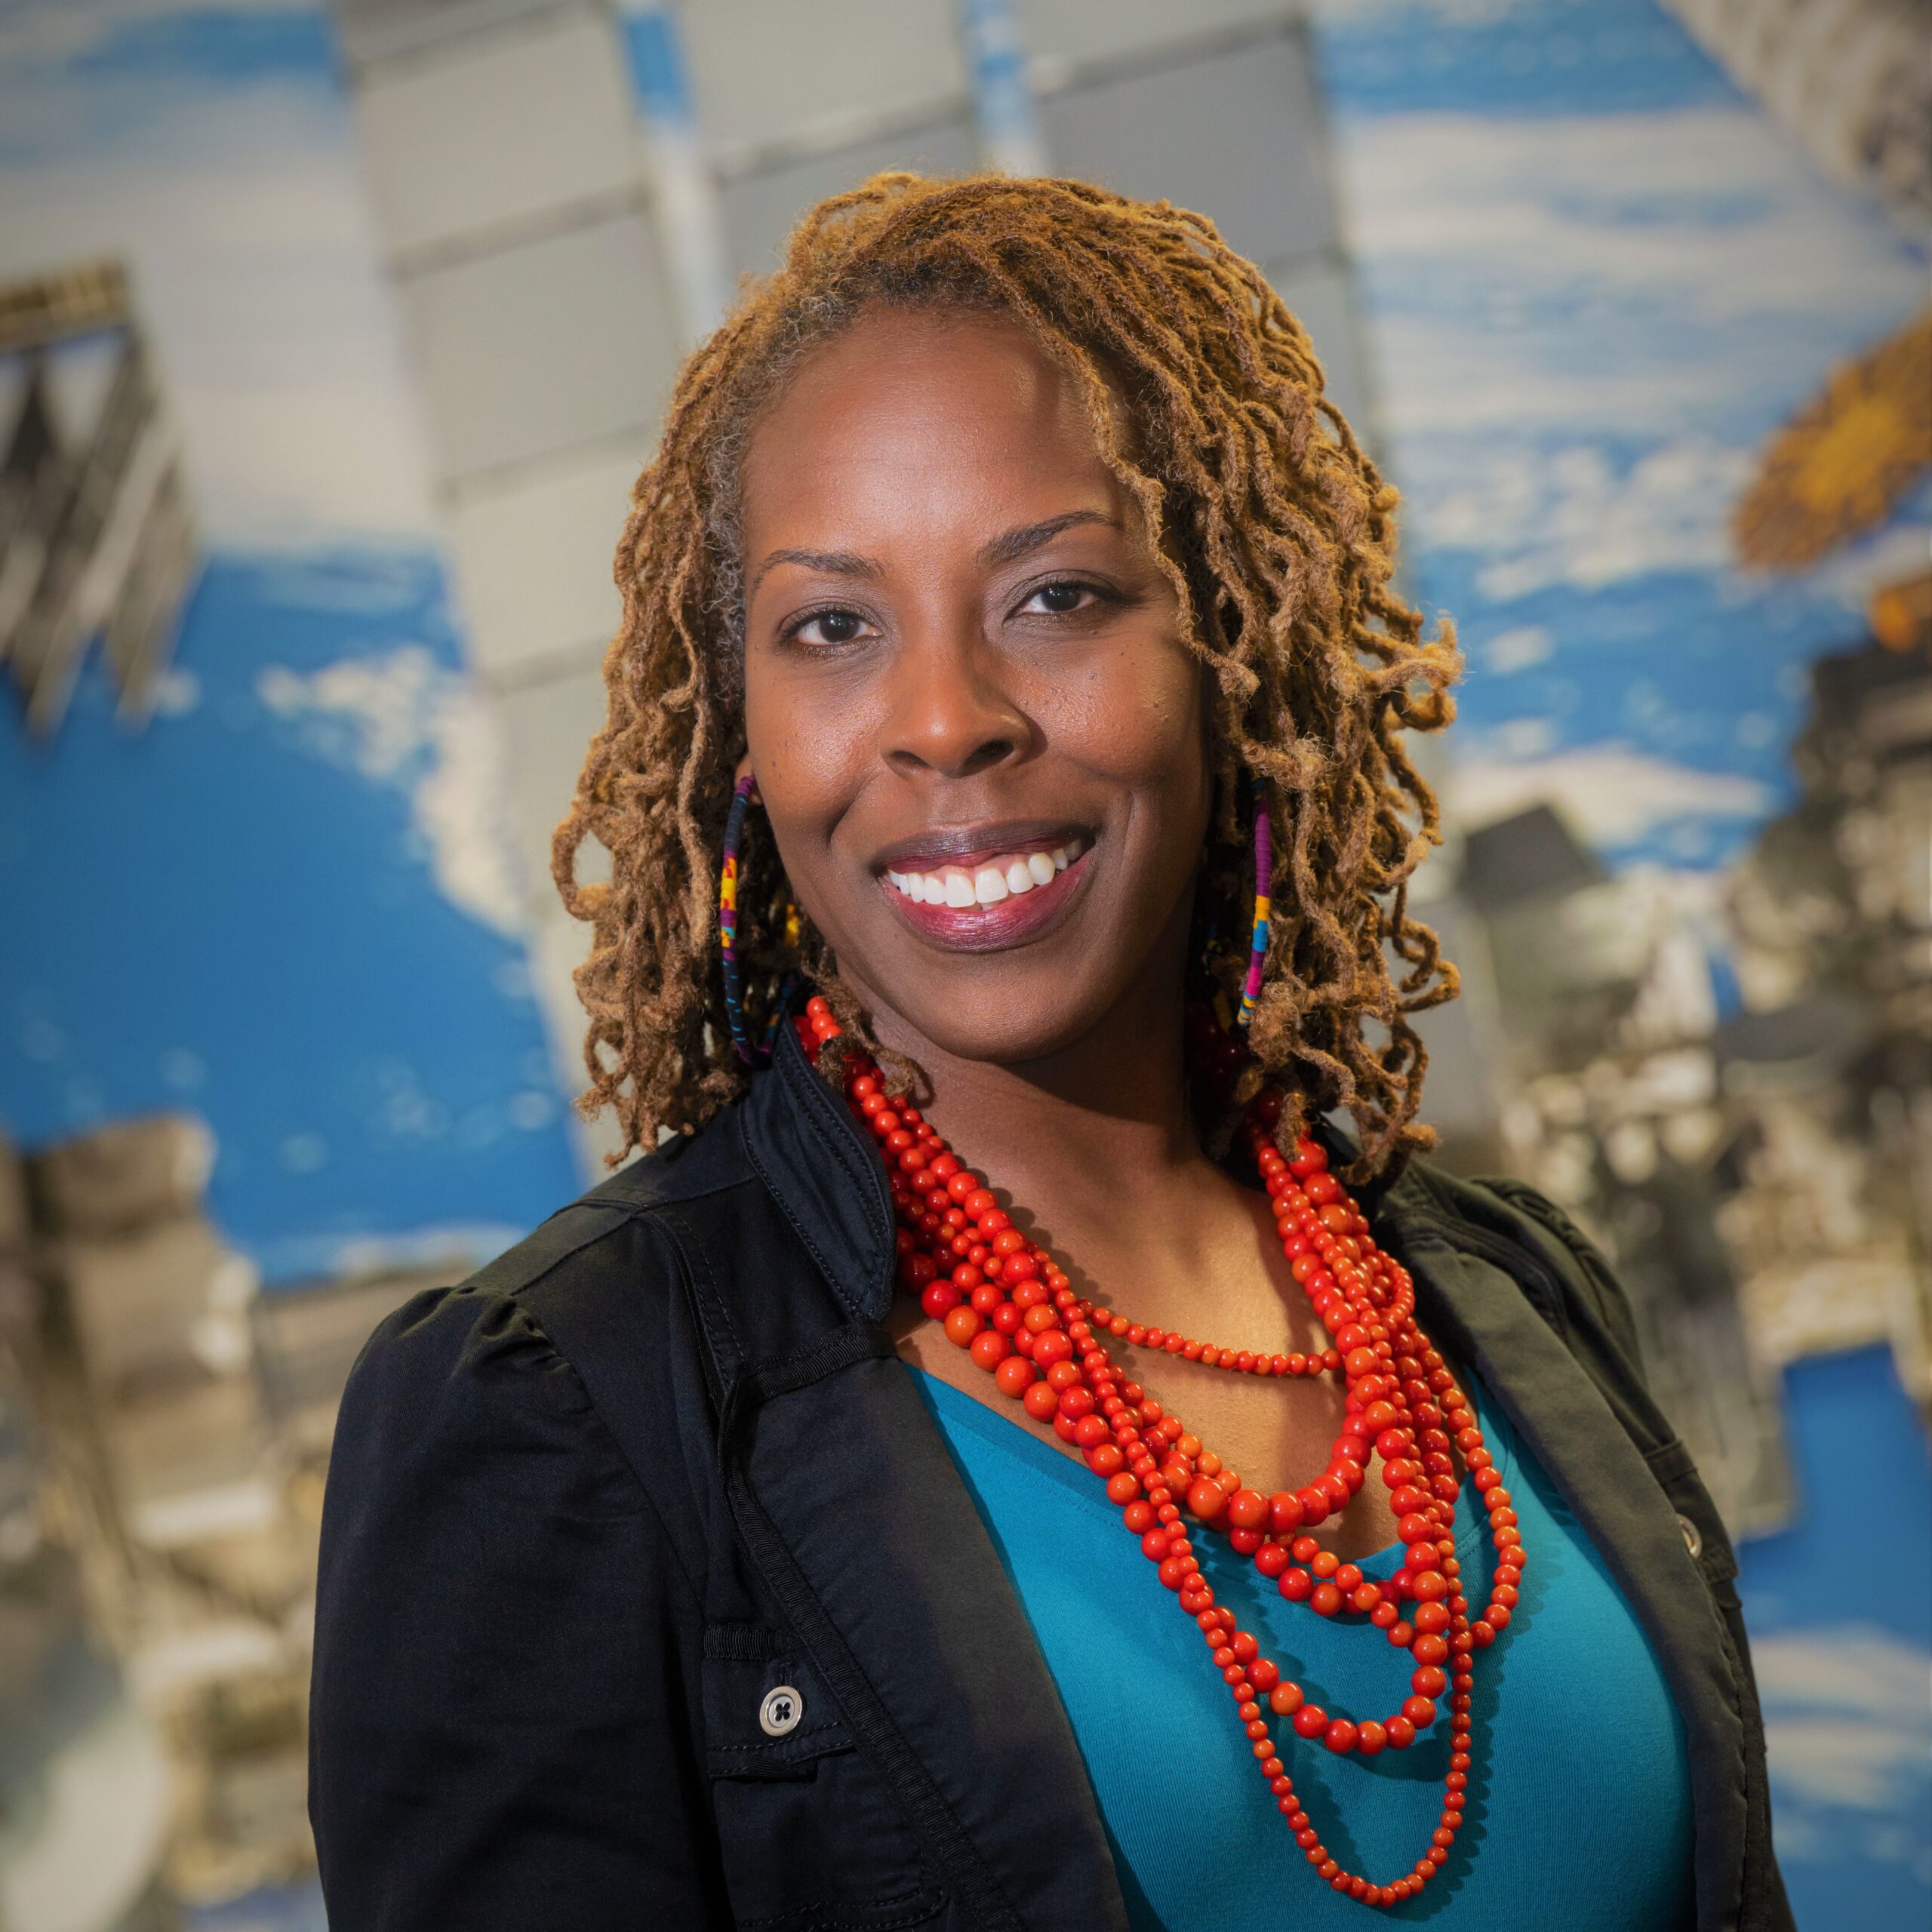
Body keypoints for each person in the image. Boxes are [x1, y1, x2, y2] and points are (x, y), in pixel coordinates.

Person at [308, 174, 1790, 1931]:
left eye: (1056, 594)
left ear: (1227, 655)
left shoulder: (1503, 1289)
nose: (944, 717)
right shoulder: (568, 1416)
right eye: (832, 626)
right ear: (742, 731)